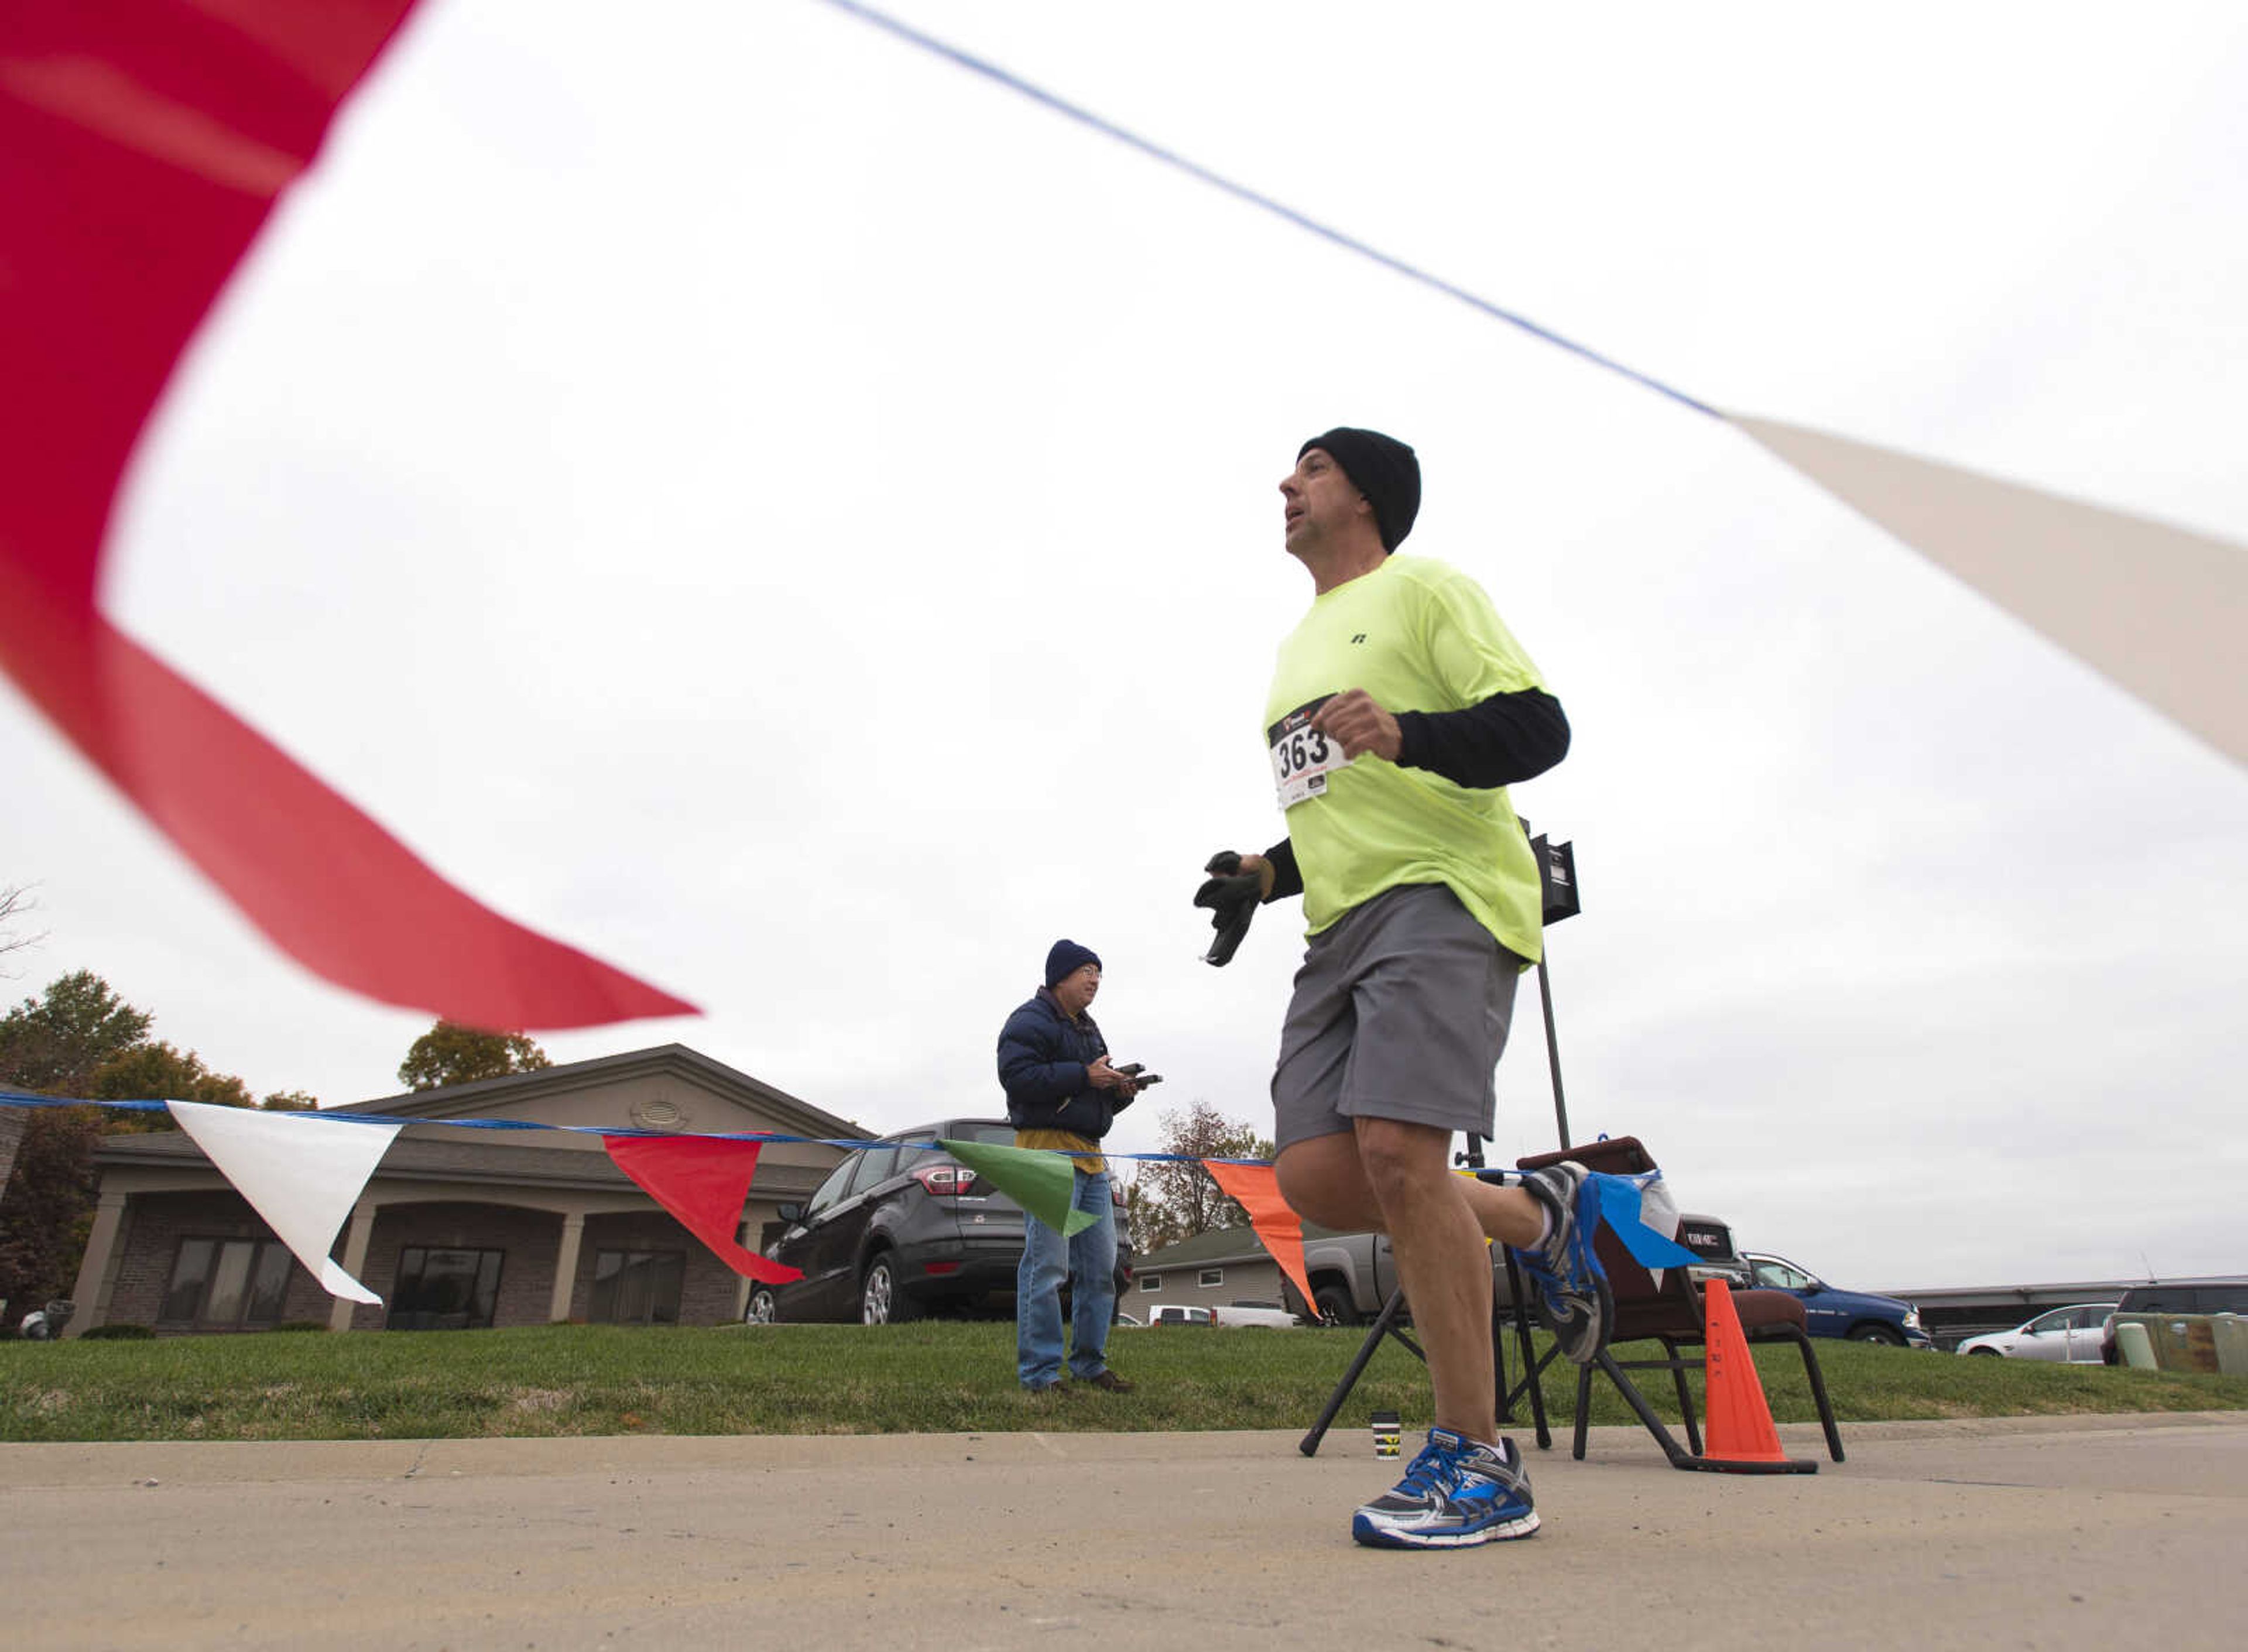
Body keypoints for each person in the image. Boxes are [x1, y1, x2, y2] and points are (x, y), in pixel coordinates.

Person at [1210, 427, 1604, 1550]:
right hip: (1339, 926)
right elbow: (1345, 796)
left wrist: (1411, 729)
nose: (1286, 485)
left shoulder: (1427, 588)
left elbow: (1538, 728)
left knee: (1396, 1148)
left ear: (1367, 494)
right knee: (1323, 1177)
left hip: (1446, 893)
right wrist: (1264, 875)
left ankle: (1481, 1463)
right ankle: (1539, 1216)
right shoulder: (1295, 649)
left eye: (1313, 468)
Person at [996, 939, 1143, 1394]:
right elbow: (1016, 1078)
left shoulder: (1089, 1030)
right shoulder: (1029, 1020)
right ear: (1060, 976)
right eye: (1087, 972)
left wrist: (1116, 1094)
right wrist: (1085, 1076)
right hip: (1046, 1154)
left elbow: (1087, 1101)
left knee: (1102, 1271)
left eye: (1099, 973)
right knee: (1047, 1268)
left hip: (1091, 1159)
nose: (1095, 980)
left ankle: (1089, 1365)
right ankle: (1040, 1374)